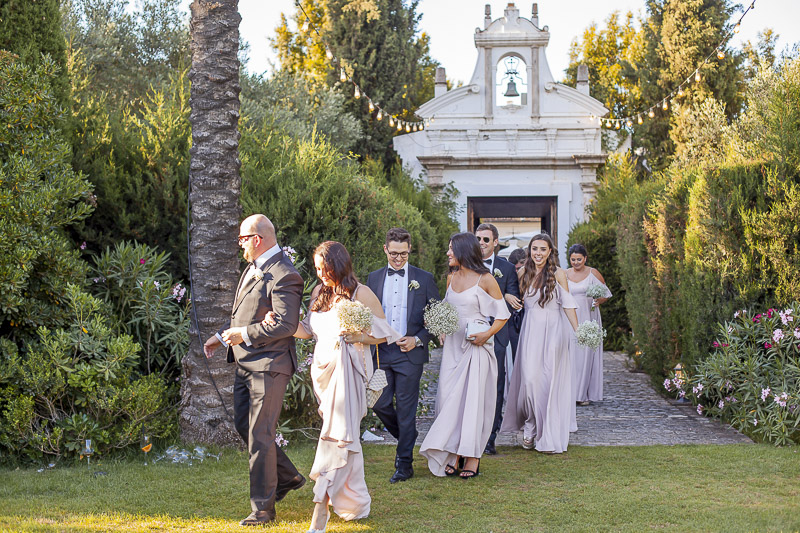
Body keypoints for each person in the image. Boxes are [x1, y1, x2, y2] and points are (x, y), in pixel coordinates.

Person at [265, 241, 399, 532]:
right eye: (317, 269)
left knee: (338, 436)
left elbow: (383, 334)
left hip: (349, 373)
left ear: (339, 265)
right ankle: (354, 500)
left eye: (325, 269)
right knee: (343, 436)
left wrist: (358, 337)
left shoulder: (361, 293)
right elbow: (307, 330)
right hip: (323, 373)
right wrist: (280, 321)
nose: (321, 274)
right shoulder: (318, 292)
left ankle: (321, 507)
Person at [203, 214, 305, 527]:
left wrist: (243, 334)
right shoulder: (253, 267)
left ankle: (263, 510)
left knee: (261, 434)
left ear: (257, 239)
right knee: (244, 426)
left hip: (270, 365)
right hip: (245, 363)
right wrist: (222, 336)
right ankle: (287, 477)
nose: (240, 245)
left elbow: (286, 324)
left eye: (242, 239)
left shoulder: (285, 274)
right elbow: (245, 314)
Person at [419, 233, 510, 479]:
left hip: (476, 348)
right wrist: (440, 327)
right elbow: (449, 310)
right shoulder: (451, 278)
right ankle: (452, 453)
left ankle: (472, 457)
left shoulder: (486, 279)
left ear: (464, 250)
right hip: (452, 348)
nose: (448, 253)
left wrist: (486, 335)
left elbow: (502, 315)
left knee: (472, 403)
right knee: (448, 399)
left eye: (451, 249)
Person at [365, 228, 439, 484]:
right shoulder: (373, 278)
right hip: (381, 352)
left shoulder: (425, 279)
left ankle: (404, 464)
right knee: (379, 402)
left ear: (410, 251)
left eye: (403, 254)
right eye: (394, 254)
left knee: (407, 410)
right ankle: (408, 437)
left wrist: (417, 339)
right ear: (385, 249)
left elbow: (436, 318)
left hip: (410, 354)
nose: (398, 259)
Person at [500, 233, 579, 454]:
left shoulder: (559, 274)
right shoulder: (523, 272)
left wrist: (579, 330)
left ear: (550, 252)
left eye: (543, 249)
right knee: (530, 381)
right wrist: (506, 296)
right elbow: (509, 294)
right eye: (535, 249)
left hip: (554, 332)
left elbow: (568, 304)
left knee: (548, 383)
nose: (538, 253)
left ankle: (546, 433)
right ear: (530, 251)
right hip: (530, 332)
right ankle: (530, 423)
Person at [474, 223, 521, 456]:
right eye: (478, 239)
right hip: (472, 335)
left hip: (498, 335)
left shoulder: (507, 268)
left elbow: (515, 300)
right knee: (473, 386)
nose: (481, 243)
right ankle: (472, 434)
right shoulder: (466, 265)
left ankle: (490, 437)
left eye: (485, 239)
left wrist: (508, 295)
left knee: (495, 386)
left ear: (495, 242)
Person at [566, 243, 611, 405]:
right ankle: (568, 393)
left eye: (579, 259)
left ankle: (582, 394)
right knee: (571, 355)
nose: (576, 262)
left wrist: (599, 300)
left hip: (588, 316)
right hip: (569, 318)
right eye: (573, 259)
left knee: (585, 355)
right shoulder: (565, 274)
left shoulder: (593, 273)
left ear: (585, 258)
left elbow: (606, 293)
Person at [506, 248, 528, 357]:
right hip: (512, 322)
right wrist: (506, 295)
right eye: (514, 269)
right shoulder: (508, 277)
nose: (517, 272)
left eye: (519, 268)